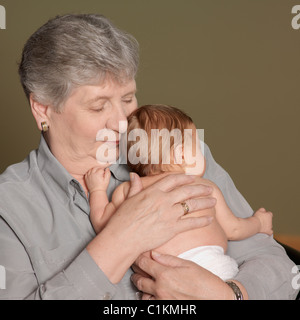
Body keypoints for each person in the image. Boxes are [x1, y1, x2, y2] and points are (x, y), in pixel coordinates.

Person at [0, 14, 298, 300]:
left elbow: (277, 266)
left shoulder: (177, 153)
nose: (121, 121)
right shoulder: (9, 206)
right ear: (42, 109)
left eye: (128, 98)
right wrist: (120, 239)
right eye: (98, 106)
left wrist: (231, 295)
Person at [85, 104, 274, 293]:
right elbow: (234, 229)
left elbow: (103, 224)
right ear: (182, 154)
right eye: (197, 148)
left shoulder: (126, 191)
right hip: (214, 272)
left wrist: (97, 190)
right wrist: (259, 223)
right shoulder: (204, 186)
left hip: (160, 282)